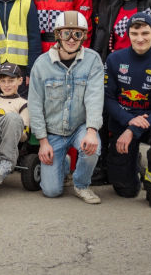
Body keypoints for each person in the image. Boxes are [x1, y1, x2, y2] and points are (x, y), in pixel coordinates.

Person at [28, 11, 103, 204]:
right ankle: (64, 163)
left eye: (77, 34)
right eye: (66, 33)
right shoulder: (41, 64)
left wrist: (91, 131)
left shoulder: (93, 60)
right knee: (51, 191)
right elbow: (35, 105)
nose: (71, 39)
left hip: (79, 127)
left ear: (83, 36)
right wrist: (43, 142)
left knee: (93, 148)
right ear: (58, 35)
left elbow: (95, 97)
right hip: (53, 132)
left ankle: (81, 184)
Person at [104, 12, 151, 208]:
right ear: (128, 34)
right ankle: (134, 162)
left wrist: (132, 129)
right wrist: (128, 120)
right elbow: (108, 99)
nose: (140, 38)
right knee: (126, 191)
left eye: (145, 33)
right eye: (134, 33)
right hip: (123, 121)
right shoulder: (114, 60)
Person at [87, 0, 121, 184]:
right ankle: (100, 163)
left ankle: (113, 163)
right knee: (98, 112)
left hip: (113, 60)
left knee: (111, 114)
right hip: (96, 59)